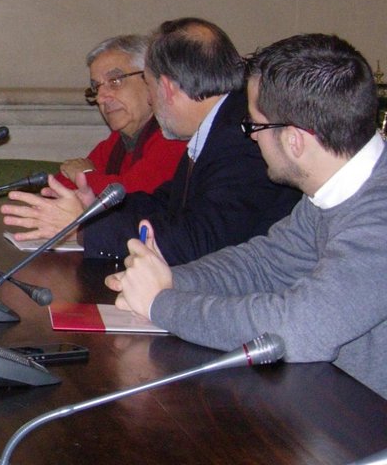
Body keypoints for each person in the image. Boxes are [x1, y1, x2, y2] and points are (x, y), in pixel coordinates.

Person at [108, 33, 387, 398]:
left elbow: (296, 330)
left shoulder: (378, 215)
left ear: (295, 141)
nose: (251, 138)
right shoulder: (333, 189)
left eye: (254, 126)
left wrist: (161, 304)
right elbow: (264, 264)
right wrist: (169, 280)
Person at [1, 17, 299, 265]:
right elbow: (164, 204)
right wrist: (95, 209)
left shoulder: (241, 137)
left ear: (165, 87)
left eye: (149, 84)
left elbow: (199, 240)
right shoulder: (217, 127)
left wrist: (84, 228)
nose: (150, 101)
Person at [56, 34, 186, 195]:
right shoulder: (117, 141)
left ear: (149, 80)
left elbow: (131, 194)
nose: (100, 98)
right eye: (96, 87)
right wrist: (86, 177)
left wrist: (85, 175)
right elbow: (58, 186)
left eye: (115, 81)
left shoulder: (175, 136)